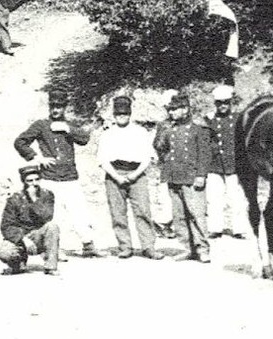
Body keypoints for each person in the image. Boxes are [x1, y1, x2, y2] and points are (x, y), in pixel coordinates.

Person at [14, 89, 100, 259]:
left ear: (65, 107)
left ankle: (88, 245)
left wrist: (68, 129)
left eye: (59, 106)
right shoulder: (41, 125)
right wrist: (37, 157)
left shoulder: (69, 125)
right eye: (53, 106)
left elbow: (84, 139)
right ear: (49, 106)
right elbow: (20, 142)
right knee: (52, 215)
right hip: (49, 177)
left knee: (79, 212)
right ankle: (53, 250)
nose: (56, 110)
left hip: (69, 177)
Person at [96, 94, 160, 259]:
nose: (121, 117)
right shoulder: (107, 134)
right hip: (114, 174)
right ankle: (125, 246)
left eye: (124, 114)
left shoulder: (140, 132)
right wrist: (116, 176)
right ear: (114, 115)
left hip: (137, 175)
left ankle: (148, 247)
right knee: (118, 213)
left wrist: (134, 175)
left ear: (130, 114)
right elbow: (102, 159)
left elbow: (148, 157)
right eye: (118, 114)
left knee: (143, 211)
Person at [152, 92, 212, 262]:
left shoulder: (198, 127)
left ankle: (202, 248)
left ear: (185, 109)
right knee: (179, 216)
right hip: (173, 175)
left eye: (175, 110)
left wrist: (201, 175)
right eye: (170, 110)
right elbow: (159, 147)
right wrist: (162, 130)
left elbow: (205, 154)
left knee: (196, 214)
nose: (171, 113)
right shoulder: (169, 128)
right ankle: (187, 248)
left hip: (192, 176)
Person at [0, 163, 60, 275]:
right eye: (30, 181)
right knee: (5, 253)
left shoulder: (47, 195)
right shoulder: (14, 199)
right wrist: (23, 239)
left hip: (38, 236)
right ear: (24, 182)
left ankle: (51, 266)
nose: (34, 183)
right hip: (21, 237)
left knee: (52, 227)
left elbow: (47, 216)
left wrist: (34, 200)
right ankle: (18, 263)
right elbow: (6, 226)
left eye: (37, 179)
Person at [204, 84, 247, 239]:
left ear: (231, 103)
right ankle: (216, 228)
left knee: (237, 199)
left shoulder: (238, 119)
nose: (223, 106)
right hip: (214, 165)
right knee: (214, 199)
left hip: (234, 164)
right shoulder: (208, 120)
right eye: (219, 103)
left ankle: (239, 229)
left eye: (226, 102)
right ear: (215, 104)